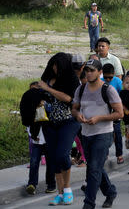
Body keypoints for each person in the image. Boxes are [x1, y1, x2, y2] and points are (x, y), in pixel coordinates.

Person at [71, 59, 123, 209]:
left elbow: (119, 113)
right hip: (86, 134)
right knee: (96, 167)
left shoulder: (108, 90)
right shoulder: (80, 89)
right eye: (86, 70)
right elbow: (74, 108)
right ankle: (110, 192)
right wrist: (77, 115)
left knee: (93, 168)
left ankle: (89, 204)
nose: (88, 73)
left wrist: (100, 118)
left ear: (100, 72)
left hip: (103, 133)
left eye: (92, 70)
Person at [39, 53, 81, 206]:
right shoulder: (47, 79)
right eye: (53, 64)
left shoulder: (71, 79)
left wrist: (48, 90)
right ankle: (60, 192)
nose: (55, 68)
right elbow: (40, 93)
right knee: (53, 157)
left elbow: (69, 99)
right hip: (49, 123)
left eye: (58, 65)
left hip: (68, 122)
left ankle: (68, 188)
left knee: (63, 155)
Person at [101, 64, 124, 165]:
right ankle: (105, 154)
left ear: (114, 75)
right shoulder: (100, 81)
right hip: (104, 111)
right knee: (105, 135)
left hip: (115, 111)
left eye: (110, 77)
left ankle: (119, 155)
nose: (108, 79)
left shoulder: (117, 81)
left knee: (117, 133)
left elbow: (122, 94)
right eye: (106, 77)